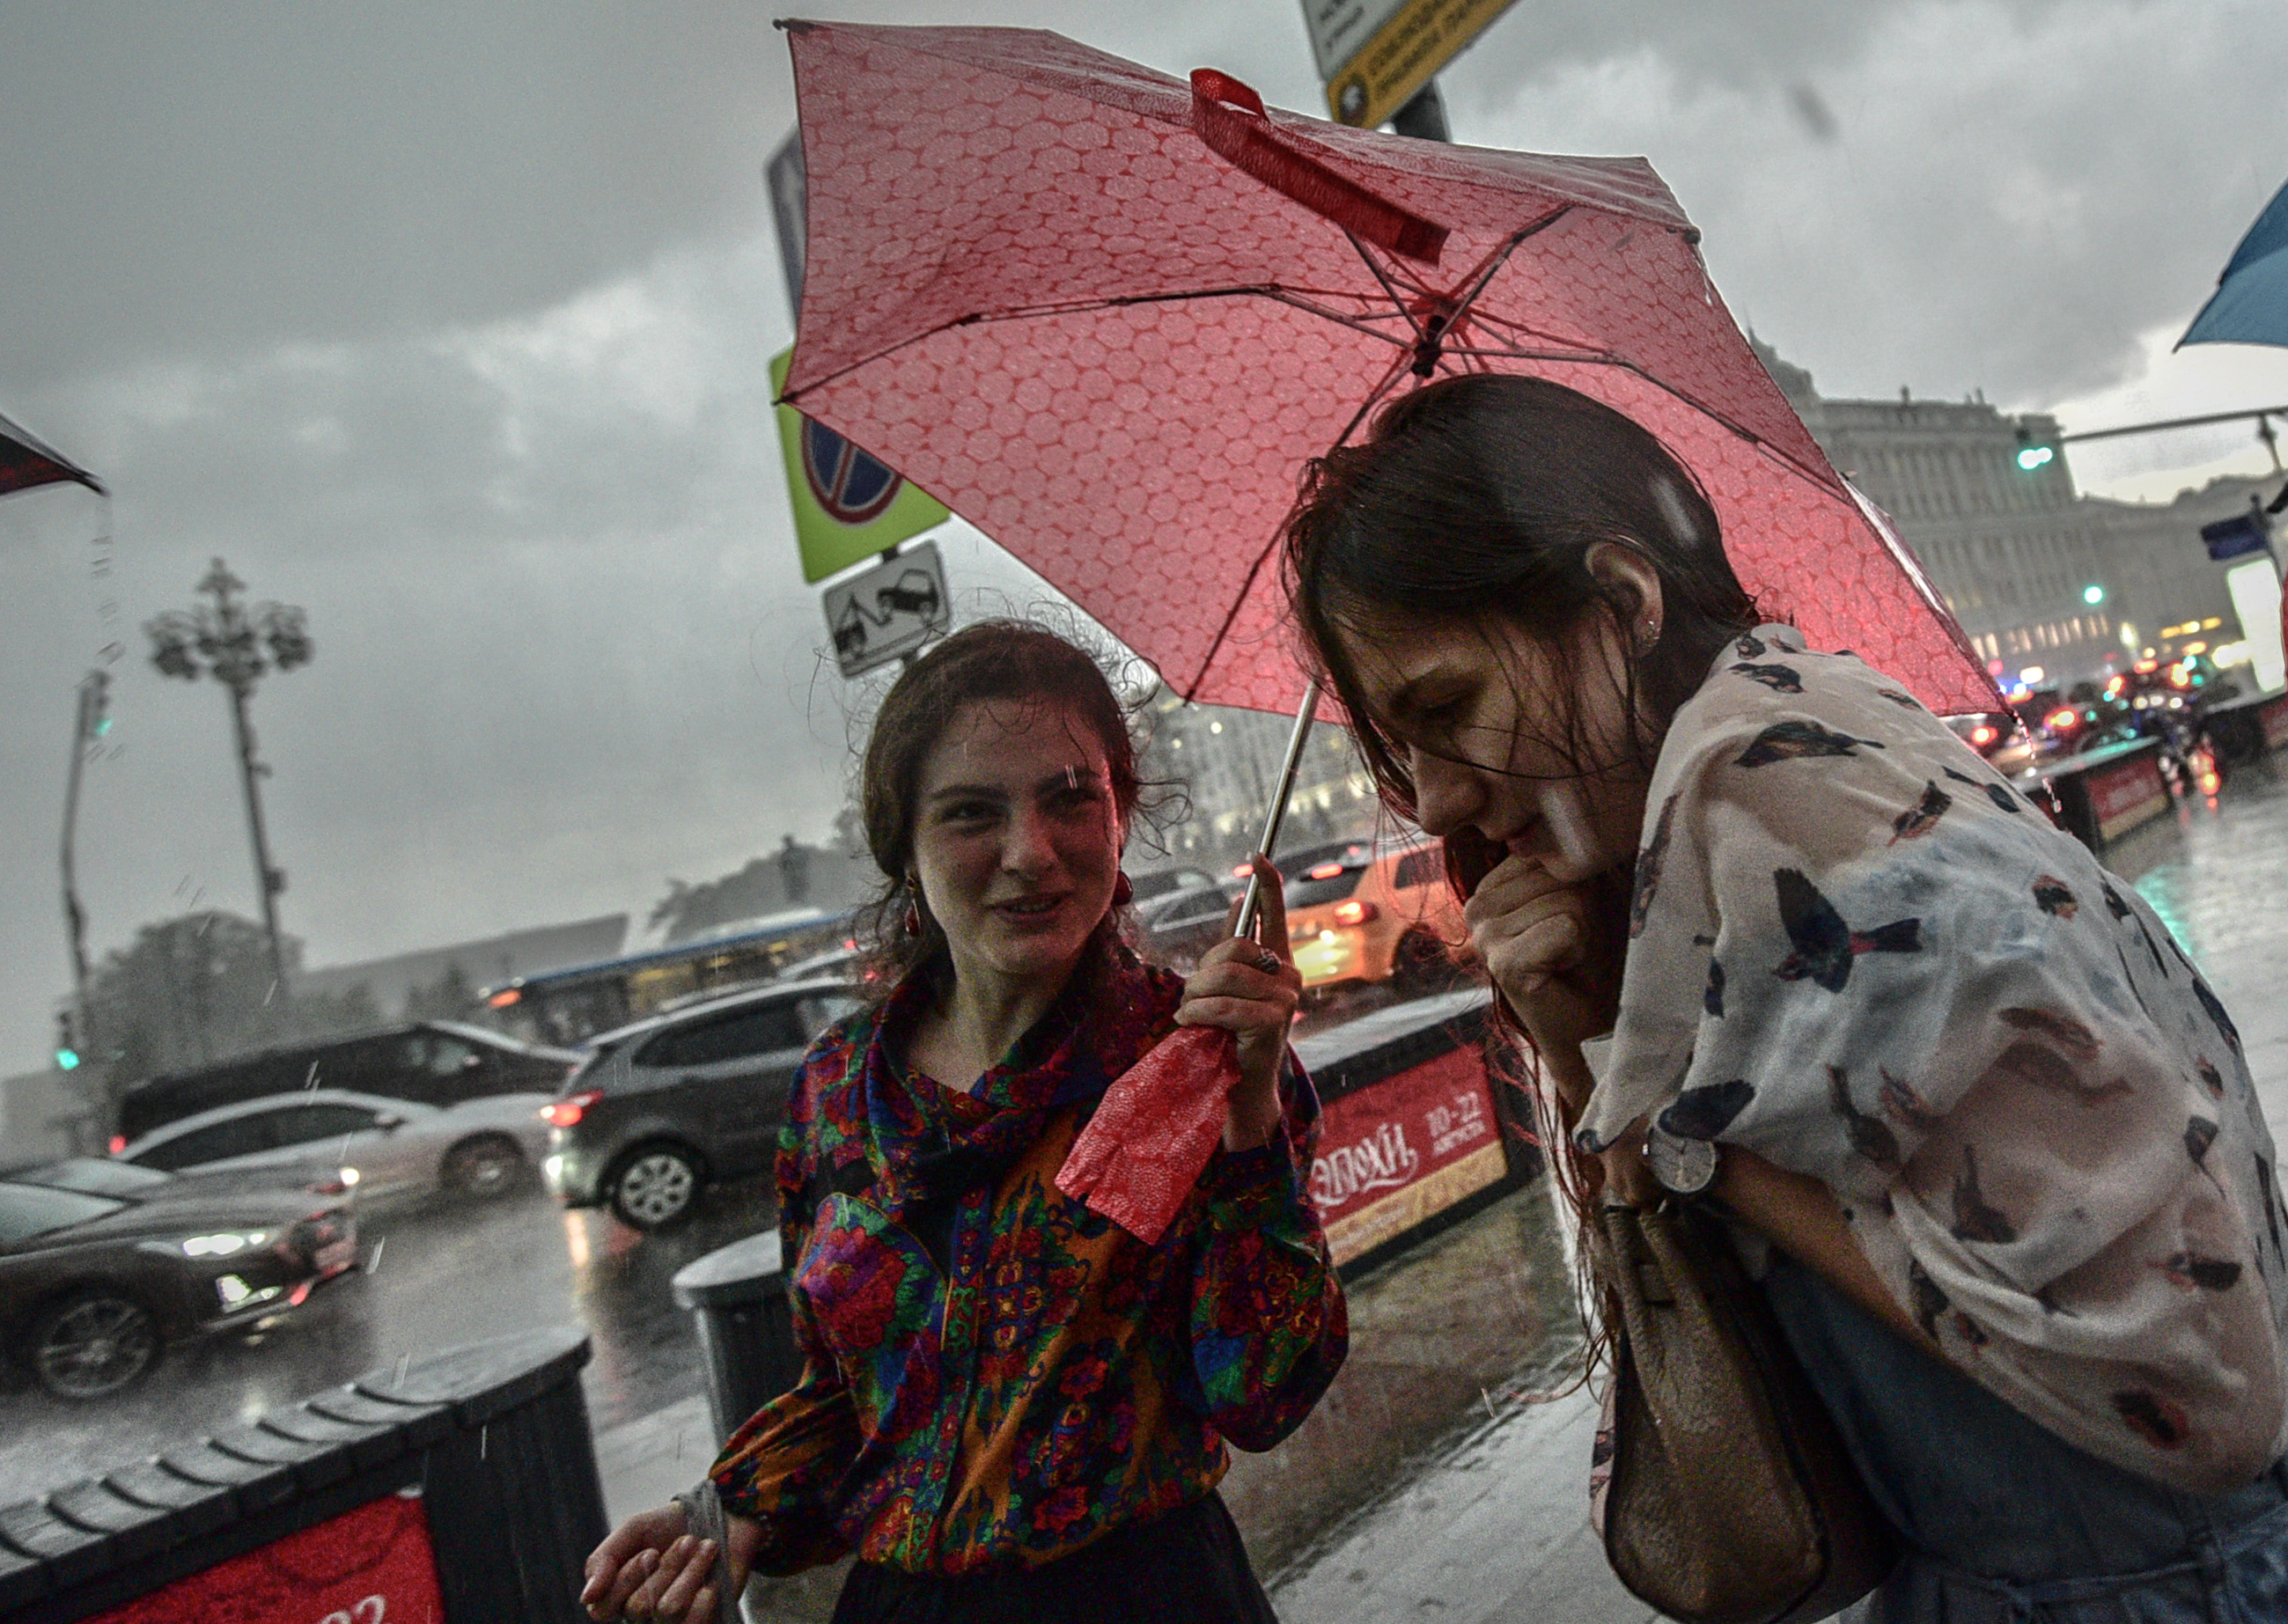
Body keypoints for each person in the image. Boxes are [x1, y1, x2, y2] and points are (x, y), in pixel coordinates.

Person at [1280, 373, 2288, 1620]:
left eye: (1445, 708)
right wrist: (1591, 1034)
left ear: (1620, 599)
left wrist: (1674, 1136)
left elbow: (2191, 1390)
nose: (1430, 798)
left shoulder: (1758, 788)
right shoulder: (1785, 739)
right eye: (1401, 745)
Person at [581, 621, 1347, 1623]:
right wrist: (724, 1508)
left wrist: (1249, 1120)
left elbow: (1265, 1396)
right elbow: (854, 1397)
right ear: (902, 847)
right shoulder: (838, 1094)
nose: (1030, 853)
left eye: (1071, 797)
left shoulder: (1194, 1059)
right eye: (970, 813)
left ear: (1119, 810)